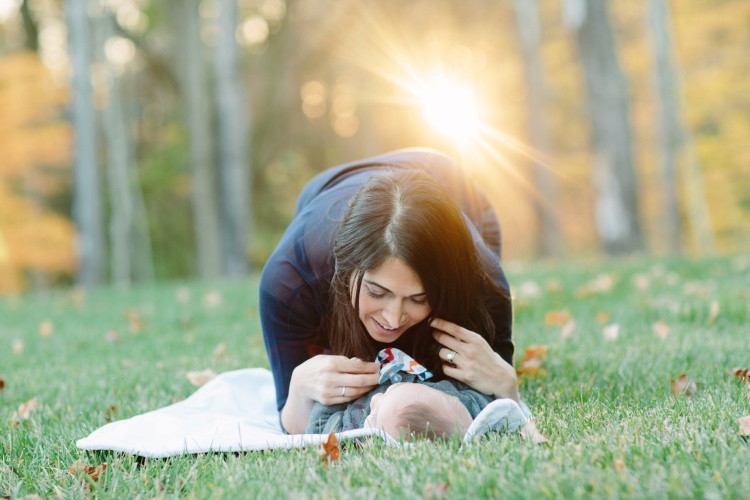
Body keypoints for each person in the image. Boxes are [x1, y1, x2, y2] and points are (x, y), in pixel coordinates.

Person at [260, 148, 519, 435]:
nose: (393, 319)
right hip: (325, 198)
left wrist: (507, 384)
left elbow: (500, 404)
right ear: (347, 269)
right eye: (377, 292)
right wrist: (298, 385)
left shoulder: (481, 279)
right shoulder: (290, 281)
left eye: (419, 298)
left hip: (460, 195)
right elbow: (291, 420)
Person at [306, 373, 491, 441]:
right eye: (391, 389)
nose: (375, 399)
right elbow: (483, 403)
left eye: (374, 416)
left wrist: (338, 397)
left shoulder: (355, 433)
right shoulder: (447, 396)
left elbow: (318, 428)